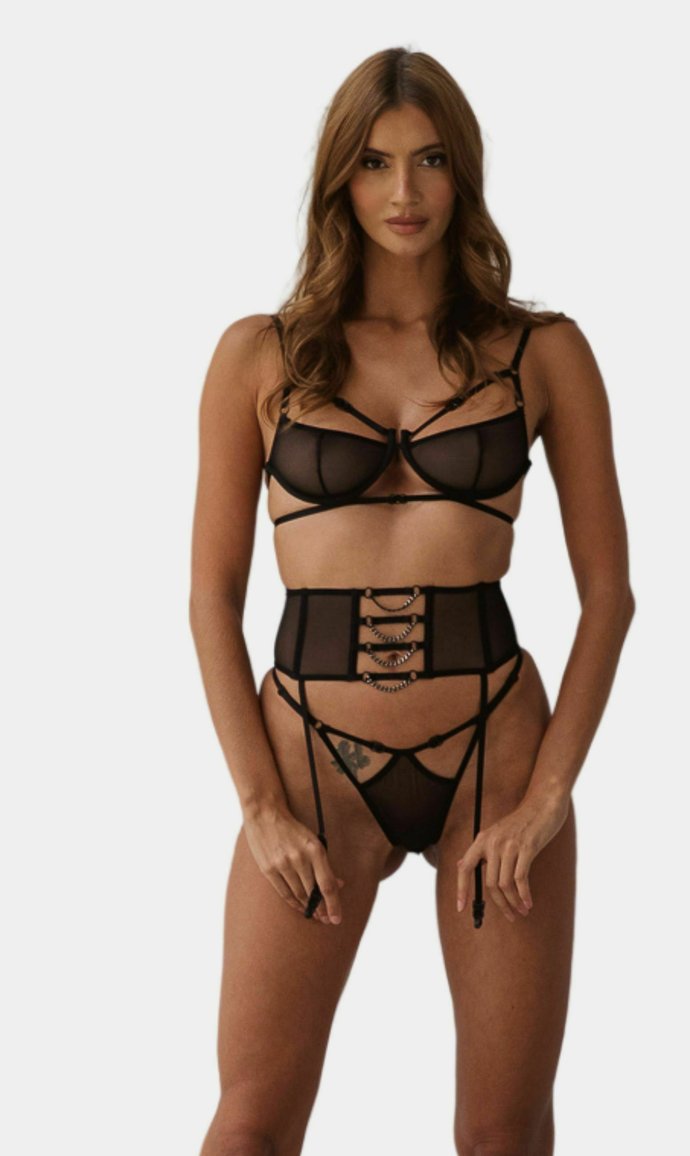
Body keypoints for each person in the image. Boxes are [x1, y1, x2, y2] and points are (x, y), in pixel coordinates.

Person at [190, 47, 635, 1156]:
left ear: (462, 173)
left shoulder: (543, 352)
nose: (404, 192)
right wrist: (259, 805)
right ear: (339, 177)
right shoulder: (260, 356)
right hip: (310, 765)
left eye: (430, 160)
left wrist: (545, 799)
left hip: (495, 759)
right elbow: (210, 596)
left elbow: (609, 596)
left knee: (502, 1135)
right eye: (376, 162)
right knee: (249, 1126)